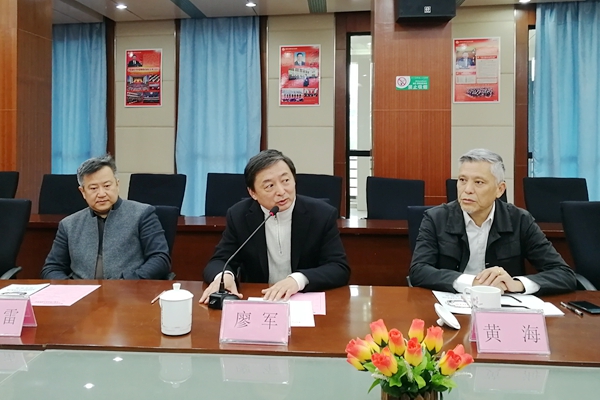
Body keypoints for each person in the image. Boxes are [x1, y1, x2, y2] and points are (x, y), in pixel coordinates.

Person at [409, 148, 576, 295]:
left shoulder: (519, 220)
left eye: (478, 182)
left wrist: (516, 284)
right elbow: (418, 271)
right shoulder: (435, 218)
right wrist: (472, 282)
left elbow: (563, 274)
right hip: (451, 303)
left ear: (499, 189)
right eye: (462, 180)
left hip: (503, 306)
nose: (467, 189)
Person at [199, 149, 350, 303]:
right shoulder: (239, 216)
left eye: (286, 180)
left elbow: (339, 268)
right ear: (253, 193)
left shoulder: (322, 215)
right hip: (261, 299)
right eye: (270, 186)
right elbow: (219, 261)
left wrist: (298, 280)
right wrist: (224, 276)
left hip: (305, 301)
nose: (281, 191)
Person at [41, 155, 171, 280]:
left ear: (117, 185)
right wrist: (72, 289)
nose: (101, 194)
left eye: (107, 186)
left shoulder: (142, 214)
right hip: (82, 293)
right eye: (93, 188)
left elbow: (160, 259)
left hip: (129, 290)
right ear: (83, 192)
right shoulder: (69, 225)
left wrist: (128, 282)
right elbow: (52, 268)